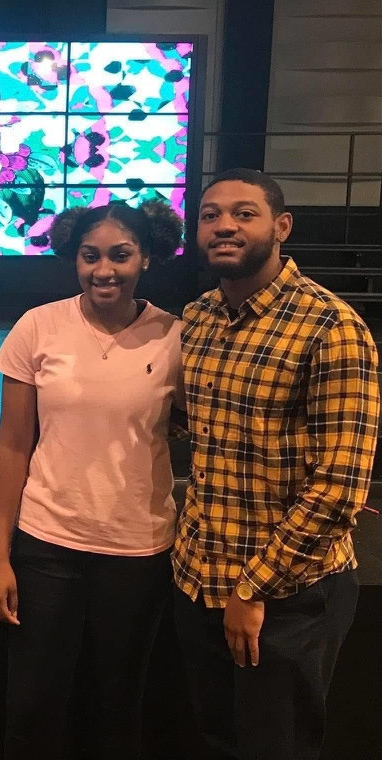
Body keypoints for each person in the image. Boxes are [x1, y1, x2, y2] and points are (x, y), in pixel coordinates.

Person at [173, 168, 379, 760]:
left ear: (282, 226)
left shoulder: (332, 328)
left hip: (287, 595)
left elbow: (339, 489)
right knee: (217, 740)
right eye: (210, 215)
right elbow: (206, 433)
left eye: (244, 213)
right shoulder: (199, 317)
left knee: (276, 746)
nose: (224, 226)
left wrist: (252, 588)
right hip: (197, 578)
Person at [0, 199, 184, 759]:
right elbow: (12, 447)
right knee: (31, 708)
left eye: (121, 255)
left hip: (138, 551)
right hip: (47, 545)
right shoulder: (38, 326)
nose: (104, 270)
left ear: (146, 257)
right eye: (90, 256)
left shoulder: (175, 336)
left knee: (116, 708)